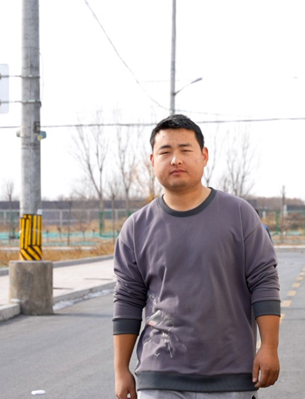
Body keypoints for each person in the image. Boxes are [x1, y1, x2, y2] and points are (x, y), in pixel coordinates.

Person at [113, 114, 281, 399]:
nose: (175, 159)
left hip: (231, 376)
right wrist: (121, 369)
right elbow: (128, 298)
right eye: (165, 152)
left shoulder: (239, 215)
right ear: (152, 160)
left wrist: (269, 347)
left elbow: (264, 281)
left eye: (185, 150)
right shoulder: (136, 227)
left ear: (204, 156)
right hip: (159, 375)